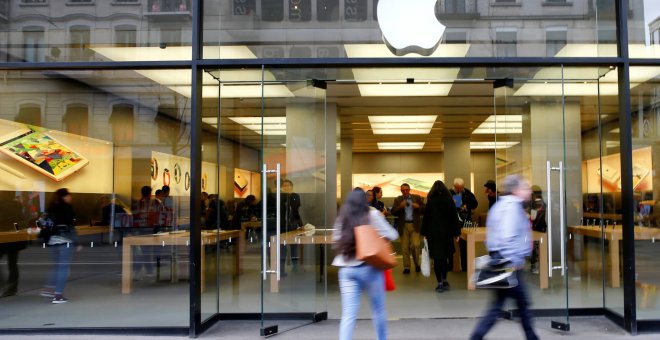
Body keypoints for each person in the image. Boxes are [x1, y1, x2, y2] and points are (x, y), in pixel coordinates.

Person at [470, 175, 539, 340]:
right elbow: (508, 237)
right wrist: (514, 260)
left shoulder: (499, 206)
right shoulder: (512, 208)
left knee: (498, 305)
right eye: (525, 187)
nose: (528, 191)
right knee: (522, 303)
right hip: (510, 264)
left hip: (503, 261)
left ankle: (476, 336)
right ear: (516, 190)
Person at [332, 188, 399, 340]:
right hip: (370, 268)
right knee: (378, 310)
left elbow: (336, 239)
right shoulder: (372, 214)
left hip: (346, 270)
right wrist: (375, 235)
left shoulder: (342, 217)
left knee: (348, 315)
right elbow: (393, 234)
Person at [41, 188, 81, 304]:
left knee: (56, 266)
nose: (70, 198)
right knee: (63, 268)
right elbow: (71, 227)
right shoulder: (67, 208)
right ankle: (58, 296)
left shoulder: (50, 209)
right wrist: (77, 242)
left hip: (52, 242)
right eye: (69, 196)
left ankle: (49, 289)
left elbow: (43, 224)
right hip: (65, 241)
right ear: (64, 197)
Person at [421, 180, 460, 293]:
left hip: (434, 234)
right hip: (447, 234)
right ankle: (445, 279)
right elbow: (454, 218)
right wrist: (456, 233)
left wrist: (424, 233)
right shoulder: (449, 200)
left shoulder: (430, 201)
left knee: (437, 259)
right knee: (445, 258)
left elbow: (426, 218)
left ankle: (439, 283)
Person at [391, 183, 425, 274]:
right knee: (405, 247)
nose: (405, 192)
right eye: (403, 190)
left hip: (415, 225)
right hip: (403, 225)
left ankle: (417, 264)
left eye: (406, 190)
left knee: (415, 245)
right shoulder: (398, 199)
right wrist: (400, 207)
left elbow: (425, 209)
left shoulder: (417, 198)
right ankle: (406, 267)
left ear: (409, 189)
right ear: (401, 191)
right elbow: (393, 212)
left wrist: (418, 207)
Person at [450, 177, 478, 272]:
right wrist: (451, 204)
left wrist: (467, 206)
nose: (459, 190)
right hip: (454, 221)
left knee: (465, 244)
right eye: (457, 188)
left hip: (466, 221)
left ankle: (465, 267)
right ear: (454, 186)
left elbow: (475, 204)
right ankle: (452, 266)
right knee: (452, 244)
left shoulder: (467, 192)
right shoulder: (449, 193)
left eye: (461, 187)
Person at [529, 185, 547, 274]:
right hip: (542, 227)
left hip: (536, 228)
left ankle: (534, 267)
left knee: (535, 249)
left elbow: (533, 217)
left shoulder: (536, 203)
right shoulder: (542, 202)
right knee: (540, 248)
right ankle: (541, 266)